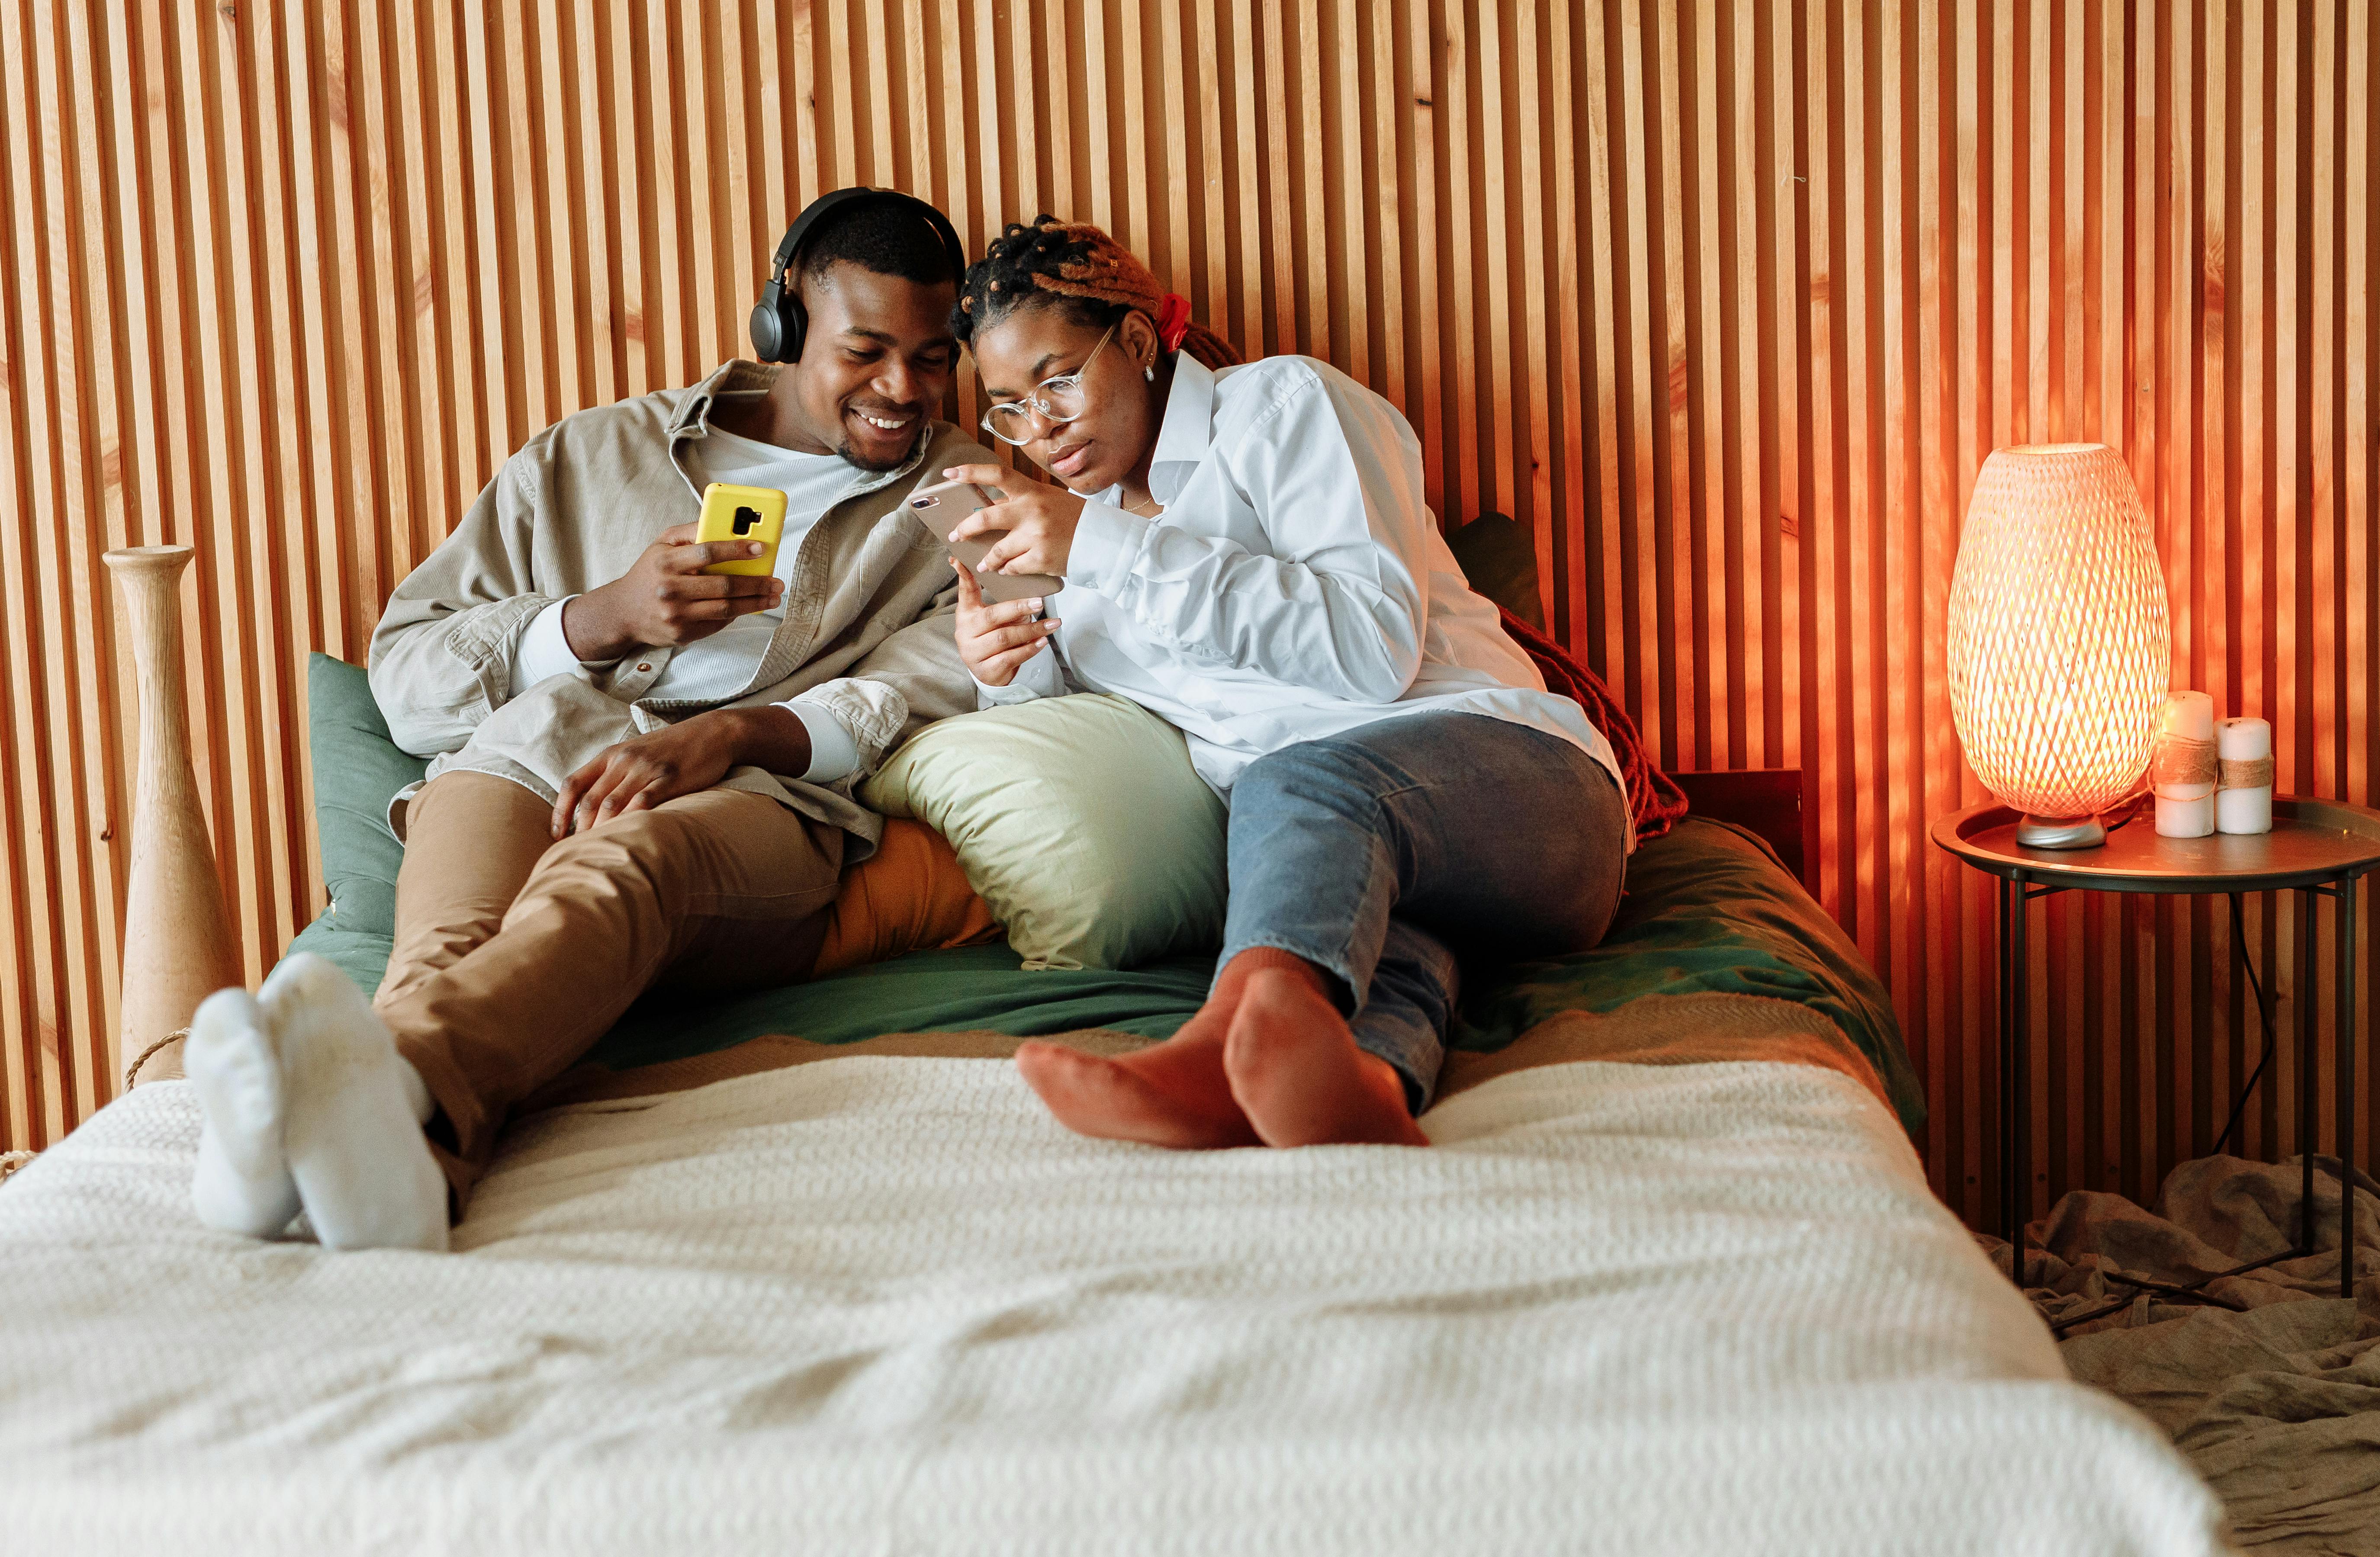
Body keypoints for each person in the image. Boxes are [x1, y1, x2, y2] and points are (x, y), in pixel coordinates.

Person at [184, 188, 997, 1250]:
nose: (904, 389)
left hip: (754, 793)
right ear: (786, 320)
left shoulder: (962, 495)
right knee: (441, 949)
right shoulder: (588, 456)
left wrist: (728, 736)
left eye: (934, 358)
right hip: (536, 743)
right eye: (867, 350)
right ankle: (389, 1167)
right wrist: (595, 620)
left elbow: (930, 686)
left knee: (615, 875)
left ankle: (305, 1127)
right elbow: (406, 677)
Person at [943, 216, 1631, 1150]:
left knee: (1296, 778)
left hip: (1533, 798)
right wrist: (1002, 667)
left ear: (1138, 342)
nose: (1040, 428)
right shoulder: (1072, 550)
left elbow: (1372, 650)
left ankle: (1210, 1052)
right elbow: (1073, 737)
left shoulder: (1279, 410)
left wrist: (1105, 544)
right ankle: (1367, 1092)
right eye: (1008, 407)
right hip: (1358, 867)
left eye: (1059, 379)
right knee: (1371, 954)